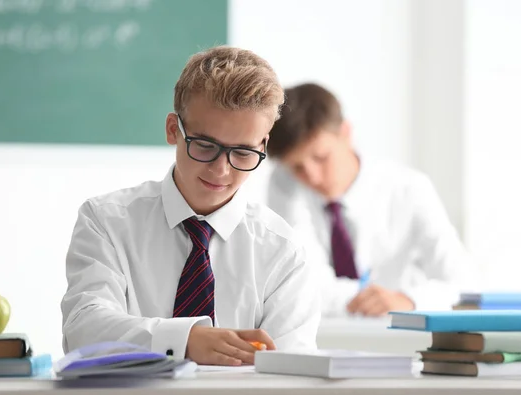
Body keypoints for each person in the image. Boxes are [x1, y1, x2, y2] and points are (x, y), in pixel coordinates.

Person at [60, 47, 320, 366]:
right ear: (173, 129)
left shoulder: (283, 251)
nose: (221, 169)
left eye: (242, 152)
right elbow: (83, 330)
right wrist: (184, 341)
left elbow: (290, 371)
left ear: (262, 145)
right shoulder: (106, 221)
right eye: (205, 145)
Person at [266, 83, 475, 317]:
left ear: (346, 133)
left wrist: (409, 299)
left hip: (402, 332)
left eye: (321, 157)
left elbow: (463, 283)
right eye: (297, 167)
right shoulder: (284, 184)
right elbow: (303, 284)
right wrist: (363, 299)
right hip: (329, 332)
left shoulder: (409, 188)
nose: (312, 176)